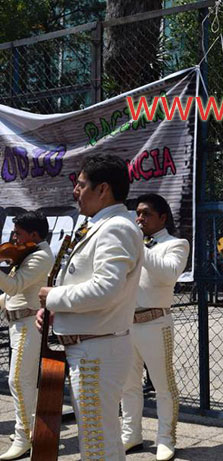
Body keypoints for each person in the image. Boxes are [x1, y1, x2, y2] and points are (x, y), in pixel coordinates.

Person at [37, 153, 143, 460]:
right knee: (97, 439)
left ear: (103, 189)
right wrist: (56, 313)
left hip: (97, 352)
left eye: (81, 185)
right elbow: (87, 281)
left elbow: (105, 289)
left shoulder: (116, 228)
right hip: (91, 347)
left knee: (99, 443)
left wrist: (53, 297)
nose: (75, 191)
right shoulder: (103, 224)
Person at [120, 193, 189, 460]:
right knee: (128, 385)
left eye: (146, 213)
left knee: (163, 384)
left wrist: (139, 247)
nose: (140, 218)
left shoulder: (176, 244)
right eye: (138, 213)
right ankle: (131, 434)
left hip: (155, 322)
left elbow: (169, 273)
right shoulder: (133, 244)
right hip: (125, 322)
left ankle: (165, 438)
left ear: (162, 217)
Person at [0, 211, 54, 460]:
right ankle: (30, 429)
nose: (13, 238)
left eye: (18, 234)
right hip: (18, 323)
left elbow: (14, 286)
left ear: (34, 234)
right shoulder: (28, 253)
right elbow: (12, 295)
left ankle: (24, 437)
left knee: (19, 381)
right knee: (23, 381)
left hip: (27, 325)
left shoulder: (41, 256)